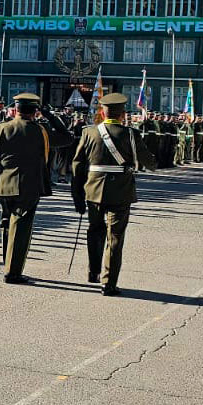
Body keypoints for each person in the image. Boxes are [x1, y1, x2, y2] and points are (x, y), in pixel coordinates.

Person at [0, 93, 73, 284]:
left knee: (6, 224)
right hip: (29, 186)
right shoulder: (41, 131)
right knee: (21, 229)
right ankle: (12, 273)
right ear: (34, 111)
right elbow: (67, 138)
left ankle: (8, 264)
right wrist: (50, 115)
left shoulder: (0, 128)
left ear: (16, 109)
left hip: (3, 185)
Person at [71, 92, 157, 296]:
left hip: (93, 191)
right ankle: (108, 283)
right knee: (115, 238)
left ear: (102, 111)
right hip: (120, 192)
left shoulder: (89, 132)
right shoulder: (130, 134)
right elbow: (150, 163)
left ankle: (93, 272)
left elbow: (77, 166)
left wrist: (77, 196)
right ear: (122, 114)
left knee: (94, 231)